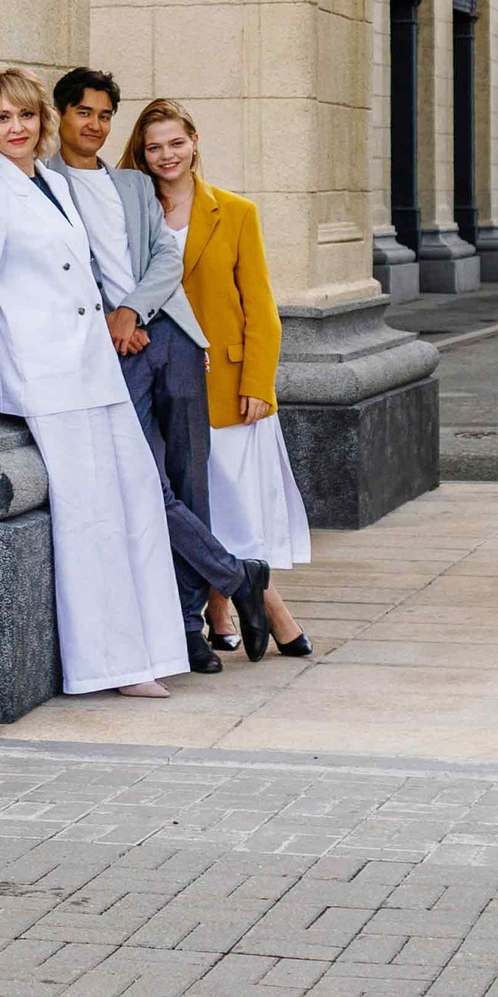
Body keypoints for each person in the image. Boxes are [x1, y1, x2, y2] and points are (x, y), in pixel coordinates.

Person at [0, 68, 190, 699]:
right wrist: (15, 367)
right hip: (51, 381)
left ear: (41, 121)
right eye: (2, 119)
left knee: (136, 500)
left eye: (26, 116)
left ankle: (152, 649)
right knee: (88, 521)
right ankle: (109, 666)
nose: (17, 128)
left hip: (96, 370)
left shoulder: (54, 181)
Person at [51, 67, 269, 674]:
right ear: (61, 115)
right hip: (111, 354)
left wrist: (132, 309)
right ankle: (238, 575)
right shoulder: (45, 184)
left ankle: (188, 629)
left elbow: (164, 258)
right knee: (147, 485)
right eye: (82, 112)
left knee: (189, 481)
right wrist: (111, 321)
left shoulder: (133, 185)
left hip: (168, 337)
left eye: (103, 115)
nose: (93, 124)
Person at [122, 95, 310, 654]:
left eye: (176, 143)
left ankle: (233, 607)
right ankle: (251, 607)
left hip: (225, 383)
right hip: (157, 377)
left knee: (226, 502)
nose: (166, 155)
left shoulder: (235, 211)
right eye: (154, 147)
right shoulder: (133, 212)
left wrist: (258, 382)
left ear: (195, 142)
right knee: (185, 497)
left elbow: (260, 306)